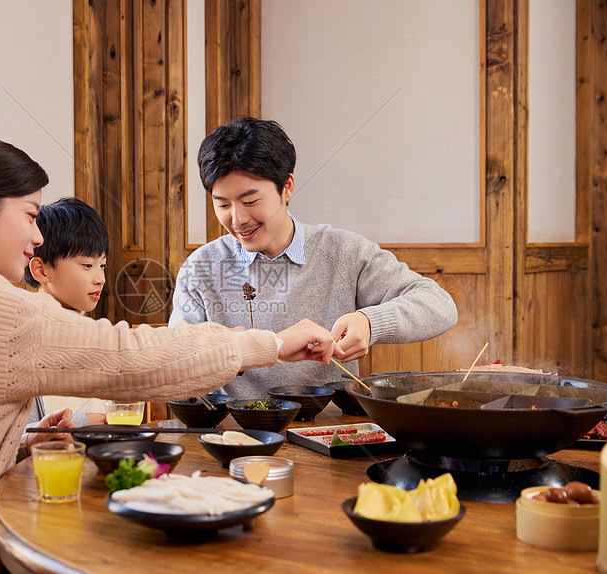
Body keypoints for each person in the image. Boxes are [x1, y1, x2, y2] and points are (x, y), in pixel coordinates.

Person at [0, 135, 336, 574]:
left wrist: (17, 440)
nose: (38, 236)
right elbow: (132, 356)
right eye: (31, 215)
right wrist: (270, 344)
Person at [169, 117, 458, 398]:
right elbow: (175, 365)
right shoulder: (201, 268)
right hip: (232, 435)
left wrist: (370, 323)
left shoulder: (343, 251)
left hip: (330, 431)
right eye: (222, 205)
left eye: (250, 201)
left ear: (287, 187)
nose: (238, 218)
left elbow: (439, 305)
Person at [22, 197, 111, 437]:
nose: (99, 279)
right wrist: (83, 421)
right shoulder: (21, 340)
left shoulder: (100, 336)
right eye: (86, 265)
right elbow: (16, 436)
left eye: (102, 266)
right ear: (41, 270)